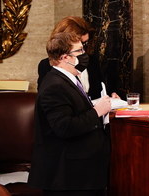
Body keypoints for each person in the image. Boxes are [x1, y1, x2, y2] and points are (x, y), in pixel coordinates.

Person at [28, 32, 112, 195]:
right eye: (80, 51)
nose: (84, 54)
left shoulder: (68, 79)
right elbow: (65, 127)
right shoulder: (55, 85)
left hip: (80, 172)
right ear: (65, 58)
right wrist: (97, 111)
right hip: (68, 176)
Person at [37, 16, 120, 100]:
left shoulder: (91, 60)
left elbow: (100, 90)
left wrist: (111, 95)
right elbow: (49, 101)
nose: (83, 50)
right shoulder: (47, 66)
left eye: (85, 43)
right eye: (80, 44)